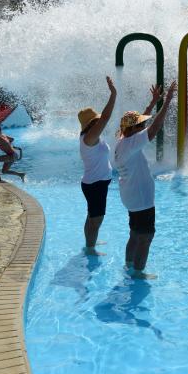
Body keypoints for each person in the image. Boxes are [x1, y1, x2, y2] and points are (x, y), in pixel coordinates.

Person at [113, 81, 176, 279]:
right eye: (139, 125)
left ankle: (129, 265)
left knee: (134, 233)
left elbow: (140, 125)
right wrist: (166, 102)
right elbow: (153, 128)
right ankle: (138, 273)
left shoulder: (123, 141)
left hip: (131, 197)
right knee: (146, 237)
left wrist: (152, 103)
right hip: (141, 200)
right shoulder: (132, 143)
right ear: (133, 130)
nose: (142, 126)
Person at [77, 76, 117, 256]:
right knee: (97, 218)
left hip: (95, 183)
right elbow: (106, 117)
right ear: (92, 123)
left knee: (92, 216)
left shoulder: (90, 137)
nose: (99, 122)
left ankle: (90, 240)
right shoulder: (89, 138)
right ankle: (90, 248)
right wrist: (113, 94)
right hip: (95, 185)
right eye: (96, 120)